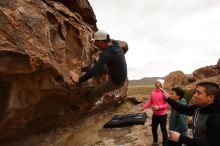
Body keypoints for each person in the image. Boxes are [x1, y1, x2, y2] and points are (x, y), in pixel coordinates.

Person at [162, 82, 220, 146]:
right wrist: (168, 99)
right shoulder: (199, 108)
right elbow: (183, 109)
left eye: (199, 93)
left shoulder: (215, 116)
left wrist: (181, 138)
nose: (195, 95)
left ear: (211, 98)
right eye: (195, 92)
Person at [78, 30, 127, 104]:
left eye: (97, 42)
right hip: (116, 71)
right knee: (100, 69)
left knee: (97, 91)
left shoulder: (107, 54)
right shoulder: (115, 43)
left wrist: (80, 80)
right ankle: (94, 72)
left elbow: (94, 71)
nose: (96, 44)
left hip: (117, 82)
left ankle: (87, 103)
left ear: (102, 42)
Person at [141, 79, 169, 146]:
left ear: (161, 84)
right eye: (155, 82)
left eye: (157, 82)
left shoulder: (164, 93)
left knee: (163, 130)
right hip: (155, 115)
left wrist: (159, 107)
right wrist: (144, 107)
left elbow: (167, 104)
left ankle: (165, 143)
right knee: (153, 129)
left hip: (163, 115)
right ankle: (155, 141)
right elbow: (150, 102)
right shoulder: (153, 92)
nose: (155, 83)